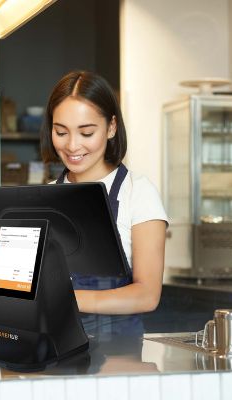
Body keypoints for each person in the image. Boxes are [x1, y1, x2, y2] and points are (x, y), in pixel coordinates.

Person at [40, 70, 169, 315]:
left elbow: (147, 295)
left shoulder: (139, 193)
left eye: (86, 132)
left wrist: (60, 299)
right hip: (51, 347)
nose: (72, 145)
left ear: (111, 127)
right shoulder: (43, 197)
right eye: (61, 132)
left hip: (117, 350)